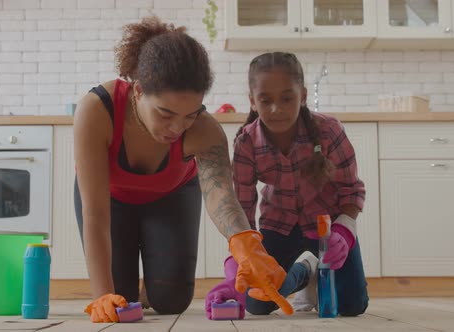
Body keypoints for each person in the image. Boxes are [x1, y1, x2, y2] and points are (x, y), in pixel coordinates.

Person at [73, 17, 293, 323]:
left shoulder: (205, 131)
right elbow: (95, 215)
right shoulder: (97, 111)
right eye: (165, 114)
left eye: (190, 114)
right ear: (138, 91)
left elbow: (222, 198)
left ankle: (153, 286)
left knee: (171, 301)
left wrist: (246, 243)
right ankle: (126, 286)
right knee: (119, 296)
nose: (177, 128)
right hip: (110, 201)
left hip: (171, 197)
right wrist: (102, 296)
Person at [205, 52, 369, 319]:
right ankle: (305, 271)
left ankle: (317, 270)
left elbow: (351, 190)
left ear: (302, 96)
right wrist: (237, 265)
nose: (275, 109)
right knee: (257, 302)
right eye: (265, 100)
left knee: (352, 306)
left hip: (328, 228)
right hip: (277, 226)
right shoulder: (246, 142)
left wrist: (345, 230)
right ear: (252, 102)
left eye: (287, 98)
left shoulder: (329, 131)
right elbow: (243, 210)